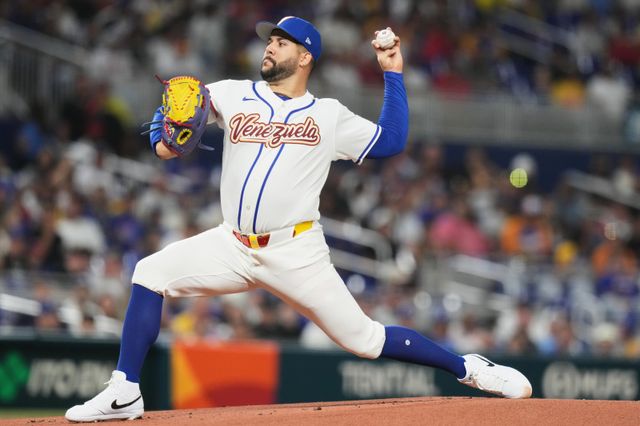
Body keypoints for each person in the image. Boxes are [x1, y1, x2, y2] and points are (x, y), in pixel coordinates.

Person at [66, 17, 531, 422]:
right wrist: (163, 133)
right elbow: (175, 115)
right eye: (269, 41)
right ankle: (125, 391)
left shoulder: (328, 115)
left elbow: (390, 140)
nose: (269, 47)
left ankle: (469, 369)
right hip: (232, 244)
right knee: (149, 273)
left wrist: (393, 72)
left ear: (305, 56)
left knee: (365, 340)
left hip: (296, 250)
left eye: (281, 42)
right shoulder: (232, 94)